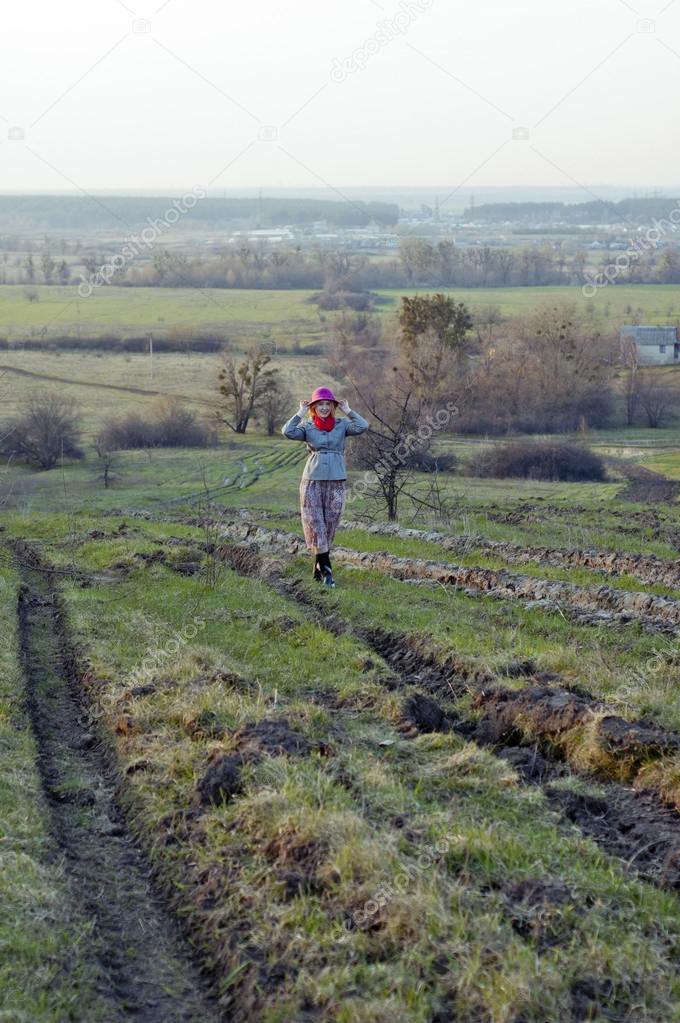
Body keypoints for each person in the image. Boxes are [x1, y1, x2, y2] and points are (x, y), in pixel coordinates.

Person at [281, 386, 368, 587]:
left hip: (336, 481)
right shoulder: (307, 426)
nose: (324, 407)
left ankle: (317, 567)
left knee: (329, 524)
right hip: (312, 480)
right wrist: (300, 413)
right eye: (320, 404)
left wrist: (348, 410)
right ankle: (328, 572)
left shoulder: (342, 425)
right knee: (315, 523)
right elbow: (287, 431)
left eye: (328, 404)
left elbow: (363, 426)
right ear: (314, 407)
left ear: (332, 406)